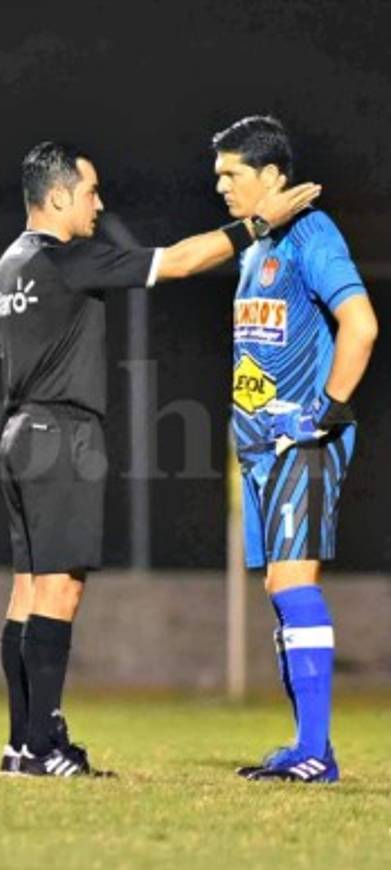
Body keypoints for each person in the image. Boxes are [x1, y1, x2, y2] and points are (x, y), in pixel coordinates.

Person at [0, 141, 319, 777]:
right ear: (58, 197)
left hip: (17, 431)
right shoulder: (67, 260)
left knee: (27, 589)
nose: (99, 203)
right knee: (60, 590)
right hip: (62, 433)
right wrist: (257, 224)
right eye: (91, 193)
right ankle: (40, 748)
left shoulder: (10, 264)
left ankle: (21, 741)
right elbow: (180, 261)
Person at [211, 116, 377, 783]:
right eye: (217, 174)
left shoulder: (312, 234)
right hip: (258, 448)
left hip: (299, 443)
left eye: (232, 174)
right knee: (281, 588)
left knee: (294, 584)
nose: (219, 185)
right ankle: (306, 745)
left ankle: (314, 751)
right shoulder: (254, 249)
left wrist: (326, 411)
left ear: (273, 176)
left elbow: (360, 327)